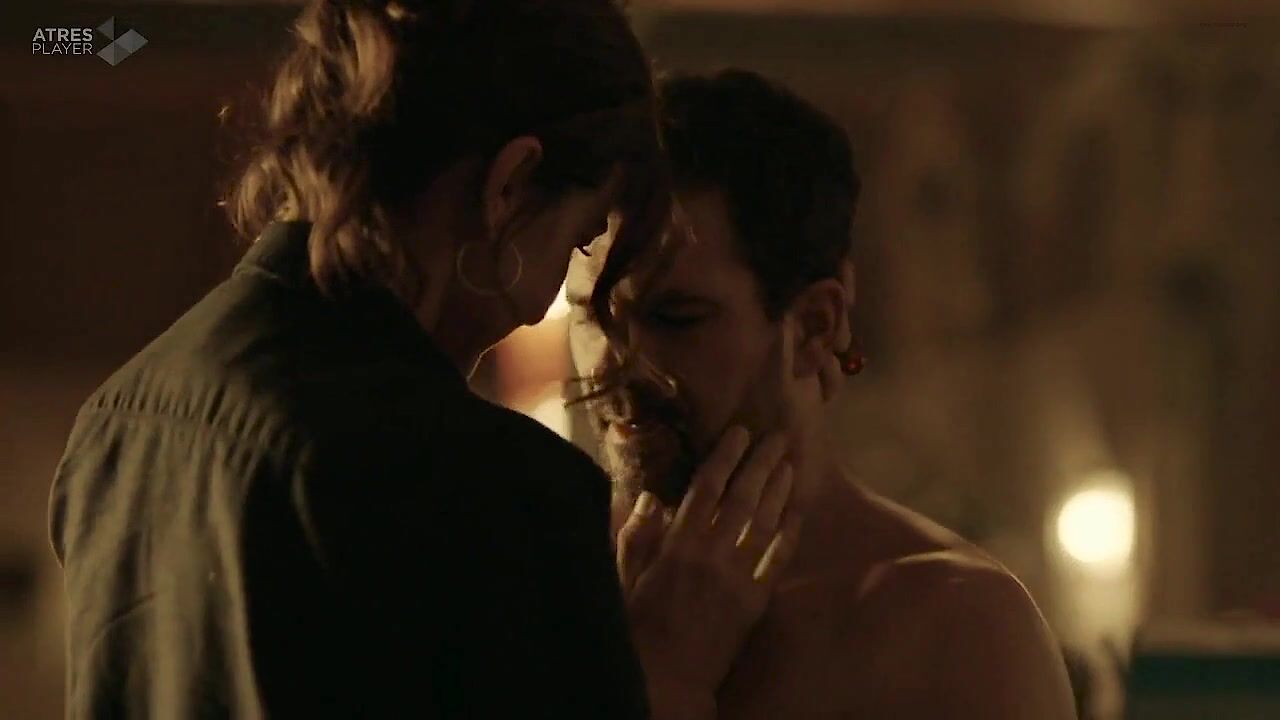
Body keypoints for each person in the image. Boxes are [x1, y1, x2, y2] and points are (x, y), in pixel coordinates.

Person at [47, 4, 807, 718]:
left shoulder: (117, 423)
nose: (543, 298)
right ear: (510, 187)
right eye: (577, 239)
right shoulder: (481, 485)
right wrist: (666, 671)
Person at [567, 70, 1079, 719]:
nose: (616, 367)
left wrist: (664, 686)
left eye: (676, 318)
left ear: (814, 324)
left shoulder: (953, 625)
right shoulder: (550, 592)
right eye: (592, 317)